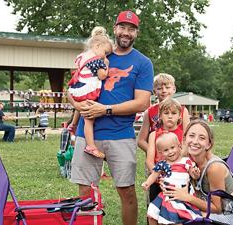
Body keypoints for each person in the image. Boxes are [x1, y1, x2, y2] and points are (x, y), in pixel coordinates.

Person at [68, 10, 154, 225]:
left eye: (131, 29)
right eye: (122, 27)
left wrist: (104, 110)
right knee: (85, 193)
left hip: (120, 135)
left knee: (127, 192)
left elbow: (142, 102)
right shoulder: (97, 53)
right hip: (88, 135)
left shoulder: (143, 63)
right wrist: (77, 103)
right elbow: (73, 87)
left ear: (137, 33)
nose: (126, 32)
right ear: (115, 29)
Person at [163, 120, 233, 225]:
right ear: (184, 139)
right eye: (191, 136)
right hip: (204, 207)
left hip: (226, 216)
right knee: (167, 212)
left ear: (208, 145)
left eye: (202, 138)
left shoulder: (214, 168)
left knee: (179, 217)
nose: (195, 141)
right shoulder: (186, 160)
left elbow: (218, 208)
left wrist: (188, 198)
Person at [67, 26, 113, 159]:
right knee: (89, 119)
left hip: (77, 88)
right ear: (97, 45)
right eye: (105, 52)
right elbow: (102, 76)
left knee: (79, 106)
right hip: (86, 90)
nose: (105, 55)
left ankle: (73, 124)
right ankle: (91, 146)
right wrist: (106, 64)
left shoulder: (82, 56)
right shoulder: (96, 60)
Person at [142, 132, 201, 225]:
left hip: (181, 195)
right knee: (152, 213)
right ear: (161, 153)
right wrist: (147, 183)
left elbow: (193, 175)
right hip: (166, 195)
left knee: (176, 217)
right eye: (166, 150)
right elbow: (154, 174)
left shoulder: (185, 161)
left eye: (172, 148)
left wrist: (195, 174)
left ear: (179, 146)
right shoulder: (162, 164)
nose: (170, 152)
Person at [137, 73, 190, 153]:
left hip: (178, 155)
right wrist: (154, 153)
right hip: (157, 157)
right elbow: (141, 141)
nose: (164, 91)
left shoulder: (182, 110)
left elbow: (188, 136)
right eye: (160, 88)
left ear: (174, 89)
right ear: (154, 91)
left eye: (168, 87)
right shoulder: (149, 112)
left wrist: (181, 155)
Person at [146, 98, 184, 204]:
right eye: (166, 113)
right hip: (158, 179)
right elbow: (149, 161)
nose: (170, 116)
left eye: (174, 113)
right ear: (160, 116)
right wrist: (158, 177)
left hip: (178, 179)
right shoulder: (154, 135)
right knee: (154, 211)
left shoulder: (184, 135)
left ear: (179, 116)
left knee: (176, 211)